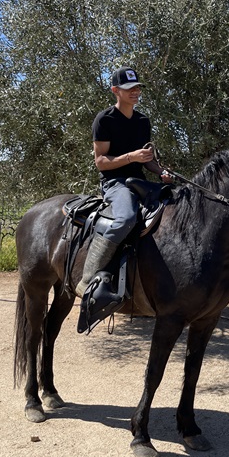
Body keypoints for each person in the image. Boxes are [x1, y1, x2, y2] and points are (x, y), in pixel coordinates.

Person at [75, 66, 172, 298]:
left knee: (175, 201)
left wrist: (161, 172)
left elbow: (147, 160)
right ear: (115, 91)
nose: (135, 92)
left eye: (137, 87)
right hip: (115, 183)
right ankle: (86, 279)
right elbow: (100, 162)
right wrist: (131, 157)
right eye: (129, 88)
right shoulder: (104, 120)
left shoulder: (142, 121)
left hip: (140, 181)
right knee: (126, 218)